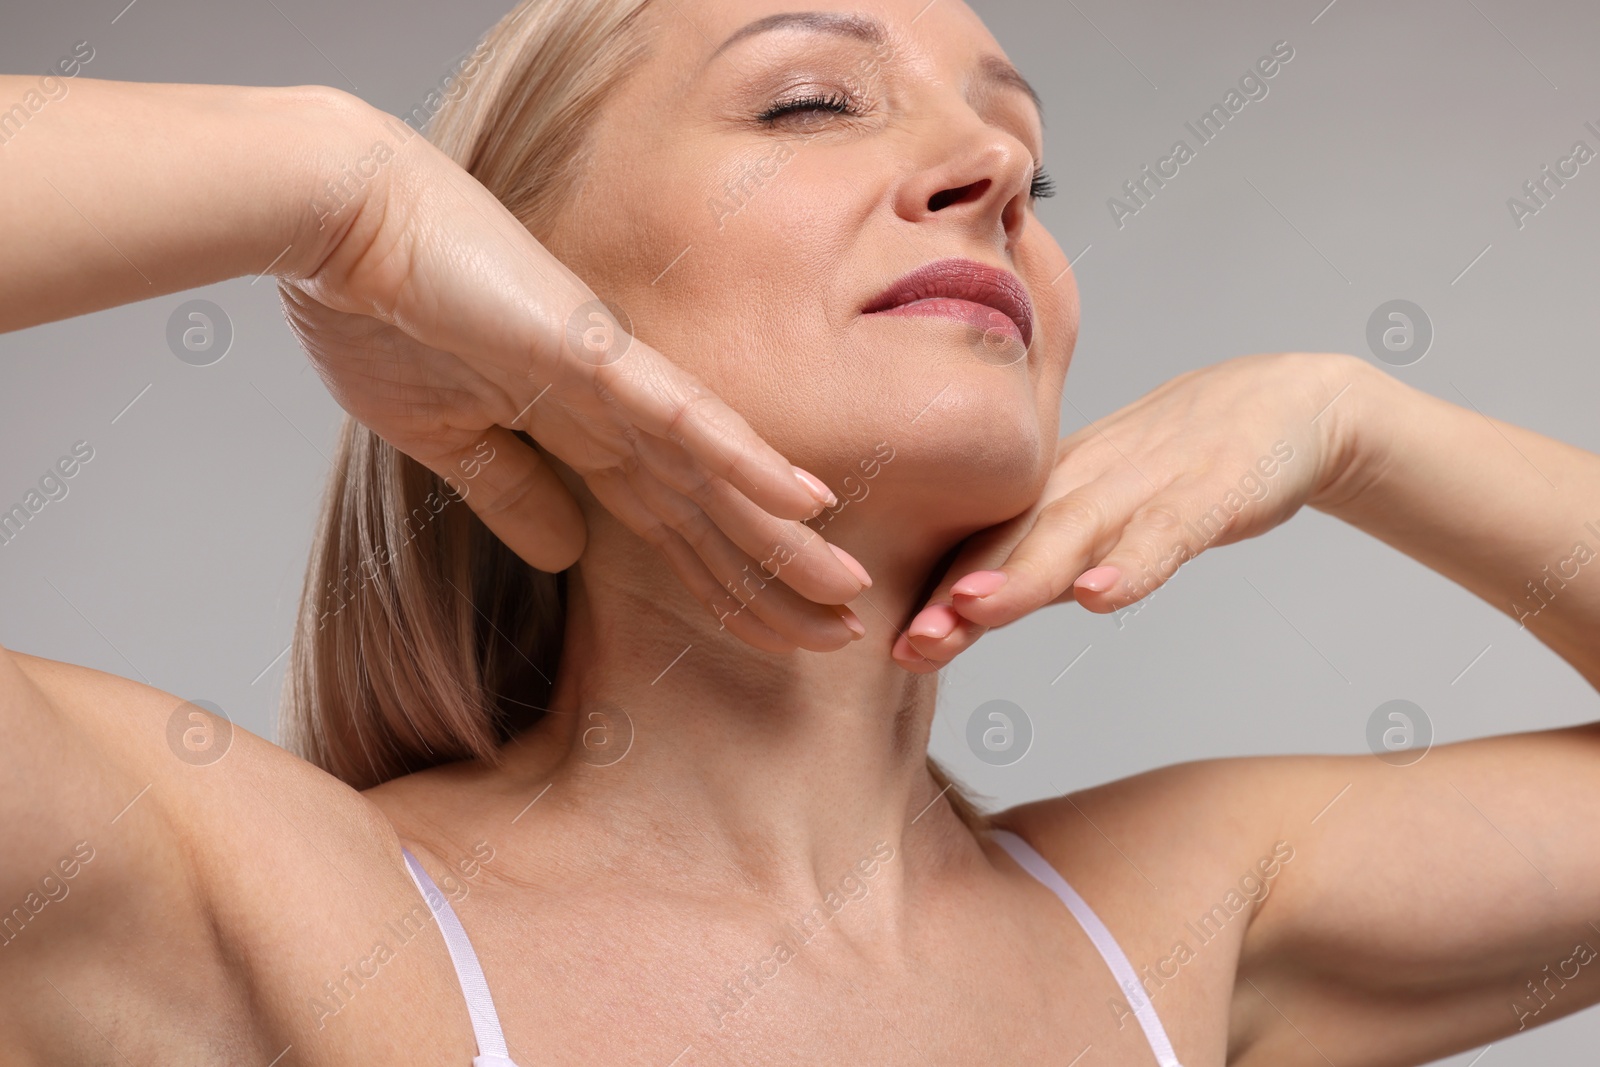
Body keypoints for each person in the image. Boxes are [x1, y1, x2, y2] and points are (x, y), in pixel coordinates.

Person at [3, 0, 1598, 1063]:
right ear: (505, 265)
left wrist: (1355, 423)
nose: (996, 176)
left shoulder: (1182, 914)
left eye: (1032, 152)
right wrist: (326, 188)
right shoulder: (258, 904)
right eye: (812, 101)